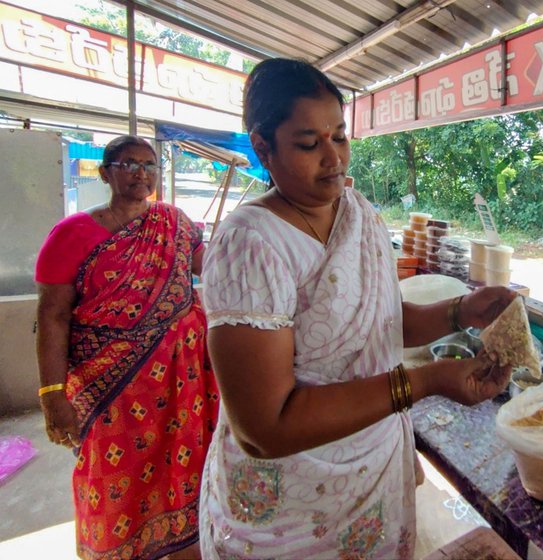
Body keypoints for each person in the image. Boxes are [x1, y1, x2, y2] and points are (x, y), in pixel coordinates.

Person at [198, 58, 517, 559]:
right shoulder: (250, 244)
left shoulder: (359, 213)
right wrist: (428, 380)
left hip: (370, 481)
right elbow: (265, 428)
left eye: (340, 136)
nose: (333, 158)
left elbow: (381, 322)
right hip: (293, 510)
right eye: (309, 143)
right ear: (263, 146)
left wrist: (461, 311)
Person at [35, 135, 219, 560]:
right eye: (128, 164)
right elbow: (52, 317)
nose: (141, 173)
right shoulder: (71, 234)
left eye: (150, 165)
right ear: (104, 173)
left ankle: (187, 544)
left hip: (182, 382)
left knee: (186, 467)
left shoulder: (174, 221)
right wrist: (52, 396)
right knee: (115, 475)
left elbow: (214, 266)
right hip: (109, 389)